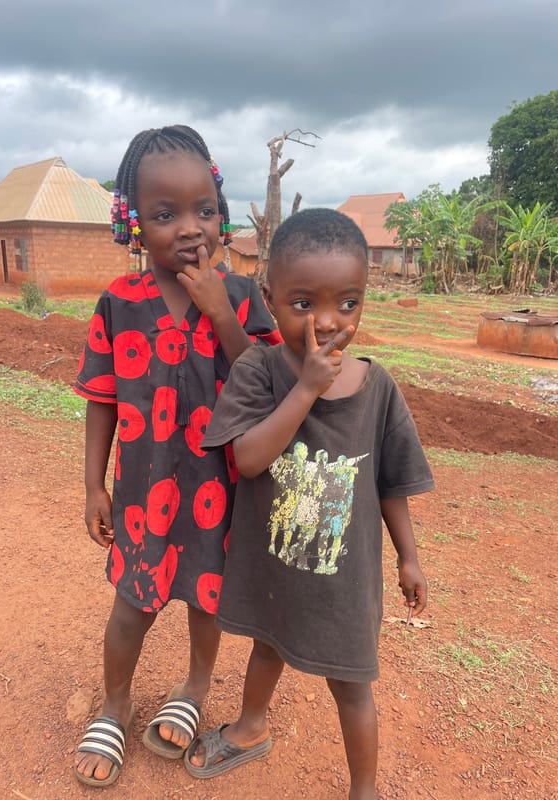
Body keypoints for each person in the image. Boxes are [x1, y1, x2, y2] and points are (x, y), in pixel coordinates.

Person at [186, 208, 434, 799]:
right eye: (304, 304)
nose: (327, 321)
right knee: (266, 645)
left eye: (347, 303)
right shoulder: (259, 371)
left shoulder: (378, 388)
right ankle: (250, 728)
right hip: (275, 565)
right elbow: (248, 459)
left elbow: (391, 482)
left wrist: (409, 557)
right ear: (271, 299)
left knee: (352, 686)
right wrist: (306, 388)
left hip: (342, 583)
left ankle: (364, 789)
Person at [72, 125, 280, 787]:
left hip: (220, 492)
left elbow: (267, 382)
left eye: (204, 210)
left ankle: (192, 688)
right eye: (165, 214)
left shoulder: (244, 299)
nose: (190, 228)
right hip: (142, 492)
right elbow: (101, 397)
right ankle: (115, 702)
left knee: (206, 600)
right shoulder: (119, 303)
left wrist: (220, 313)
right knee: (130, 606)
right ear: (132, 222)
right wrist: (92, 486)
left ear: (221, 211)